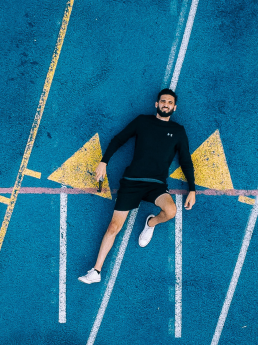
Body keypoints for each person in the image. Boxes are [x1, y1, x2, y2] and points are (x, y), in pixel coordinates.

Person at [78, 88, 196, 284]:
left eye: (170, 102)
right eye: (163, 101)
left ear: (174, 107)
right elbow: (119, 139)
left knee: (171, 210)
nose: (166, 104)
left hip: (156, 185)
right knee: (114, 227)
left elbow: (186, 160)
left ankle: (150, 223)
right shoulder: (142, 121)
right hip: (132, 182)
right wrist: (104, 161)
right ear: (156, 104)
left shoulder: (178, 131)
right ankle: (96, 272)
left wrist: (192, 189)